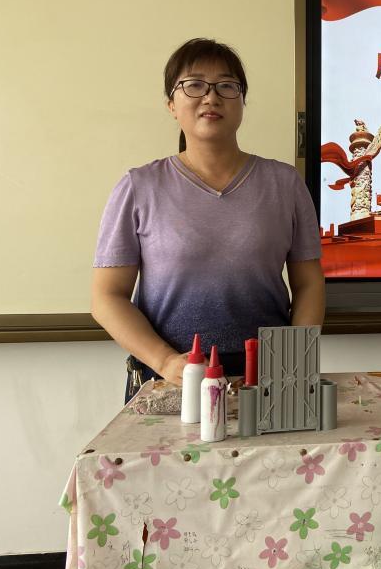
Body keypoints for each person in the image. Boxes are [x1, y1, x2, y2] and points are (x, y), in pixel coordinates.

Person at [91, 39, 325, 402]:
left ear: (242, 102)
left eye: (227, 86)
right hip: (168, 380)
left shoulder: (284, 183)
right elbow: (107, 296)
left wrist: (292, 363)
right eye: (194, 85)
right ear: (171, 104)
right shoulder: (139, 187)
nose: (211, 97)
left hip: (267, 381)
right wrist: (165, 361)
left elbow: (309, 283)